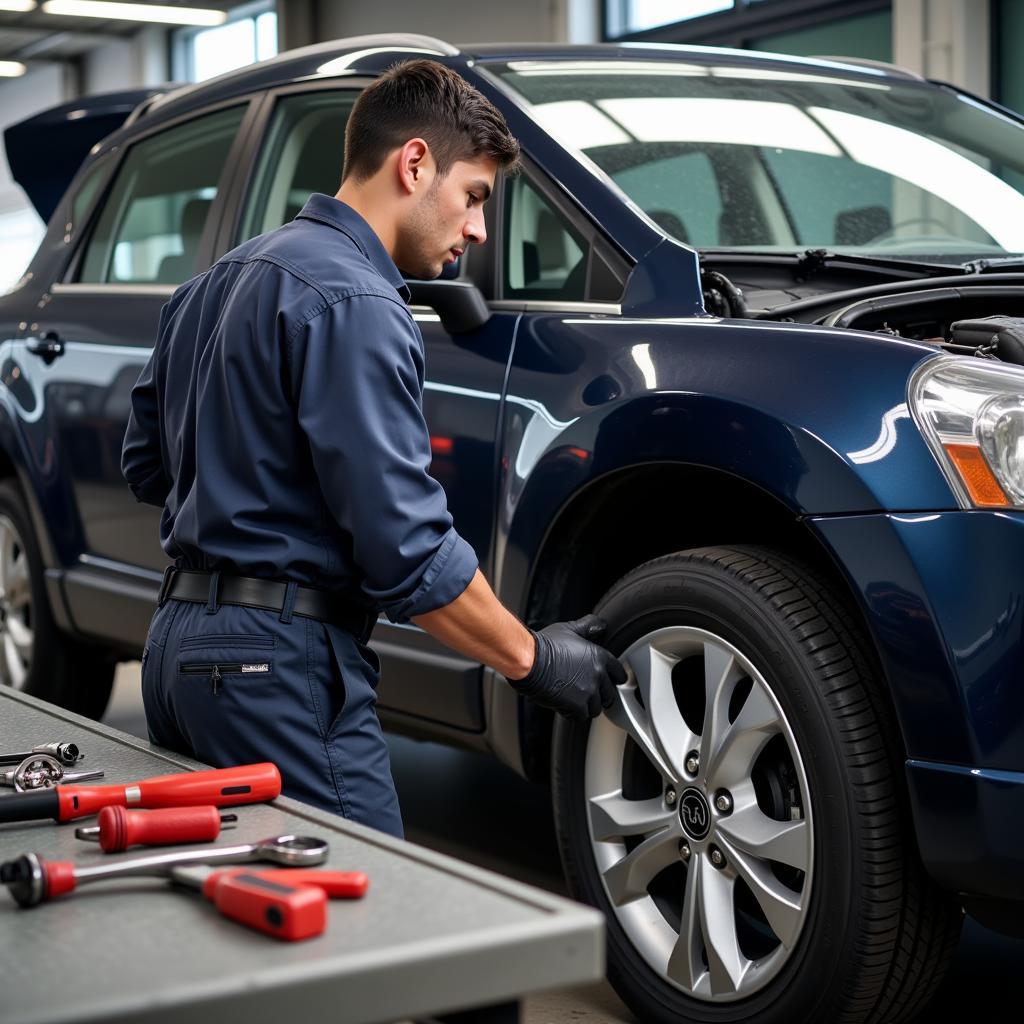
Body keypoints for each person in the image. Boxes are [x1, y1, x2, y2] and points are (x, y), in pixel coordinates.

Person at [122, 59, 626, 839]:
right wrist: (535, 659)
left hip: (175, 653)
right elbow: (407, 553)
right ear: (414, 162)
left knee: (240, 914)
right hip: (275, 669)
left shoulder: (209, 285)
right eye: (474, 197)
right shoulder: (358, 301)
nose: (478, 229)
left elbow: (146, 467)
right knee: (366, 919)